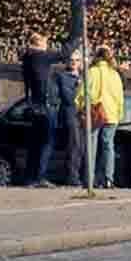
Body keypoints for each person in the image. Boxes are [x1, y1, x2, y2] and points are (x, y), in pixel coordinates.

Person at [83, 45, 126, 192]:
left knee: (92, 146)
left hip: (95, 113)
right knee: (109, 146)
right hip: (112, 113)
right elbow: (120, 96)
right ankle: (108, 179)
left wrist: (80, 107)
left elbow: (83, 92)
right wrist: (120, 113)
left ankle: (90, 179)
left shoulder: (91, 72)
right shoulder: (115, 74)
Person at [43, 46, 82, 185]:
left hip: (83, 115)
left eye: (76, 60)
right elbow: (68, 97)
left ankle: (83, 176)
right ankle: (72, 177)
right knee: (74, 145)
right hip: (70, 114)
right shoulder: (62, 76)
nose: (73, 62)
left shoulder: (84, 77)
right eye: (71, 60)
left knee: (81, 147)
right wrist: (78, 88)